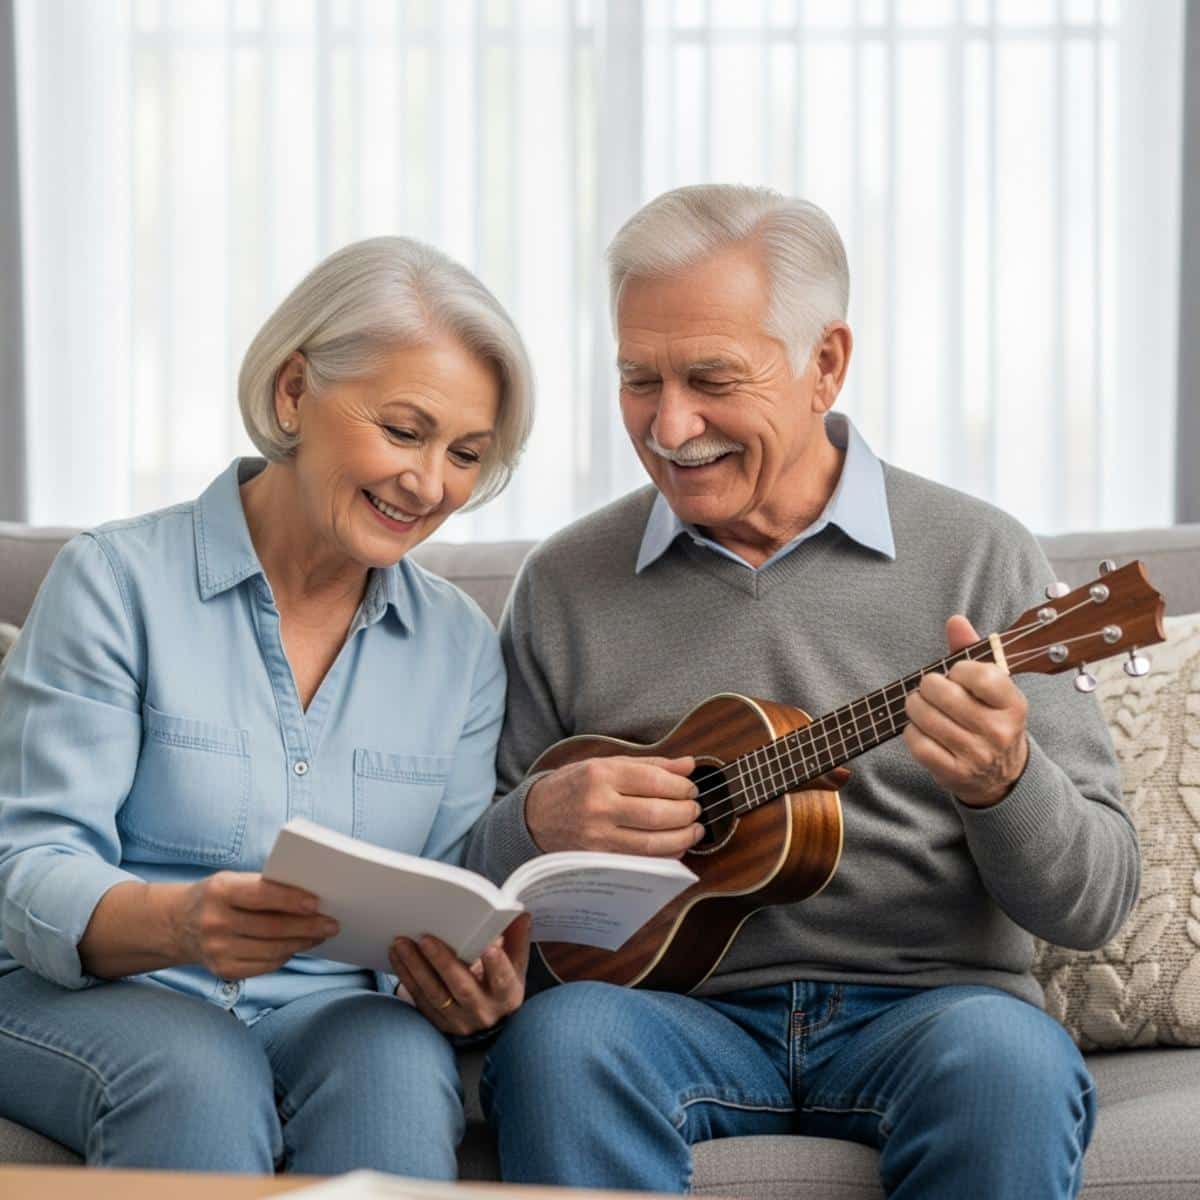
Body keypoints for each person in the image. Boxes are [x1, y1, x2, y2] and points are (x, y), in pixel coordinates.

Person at [465, 184, 1138, 1198]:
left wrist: (1006, 781)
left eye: (711, 378)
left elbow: (1097, 903)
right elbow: (474, 893)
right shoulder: (565, 584)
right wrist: (534, 819)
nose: (669, 423)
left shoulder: (976, 555)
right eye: (638, 379)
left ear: (825, 363)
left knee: (1009, 1068)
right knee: (560, 1044)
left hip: (932, 1008)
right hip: (668, 1016)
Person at [0, 236, 535, 1177]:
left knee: (402, 1067)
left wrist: (460, 984)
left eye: (466, 455)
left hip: (333, 1009)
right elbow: (27, 864)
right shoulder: (115, 581)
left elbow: (446, 893)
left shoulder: (459, 648)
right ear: (294, 393)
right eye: (404, 431)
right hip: (92, 988)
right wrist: (176, 922)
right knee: (196, 1070)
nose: (429, 484)